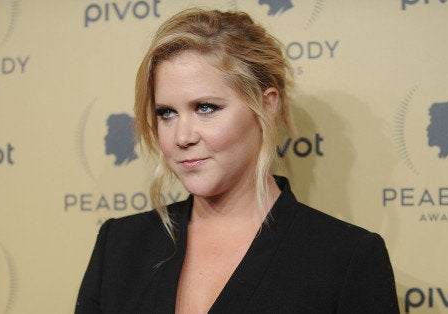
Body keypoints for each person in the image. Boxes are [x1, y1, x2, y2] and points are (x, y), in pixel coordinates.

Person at [76, 8, 399, 313]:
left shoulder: (346, 258)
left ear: (267, 106)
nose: (182, 136)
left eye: (205, 108)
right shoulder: (119, 245)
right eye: (167, 113)